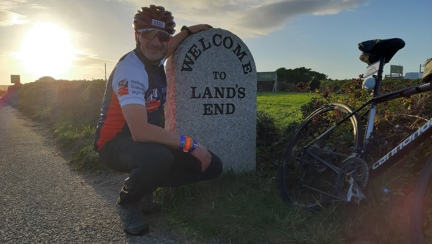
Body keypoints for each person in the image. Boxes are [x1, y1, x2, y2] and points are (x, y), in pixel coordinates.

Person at [93, 5, 223, 236]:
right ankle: (128, 201)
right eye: (147, 34)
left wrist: (189, 31)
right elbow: (140, 132)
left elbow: (172, 43)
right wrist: (192, 145)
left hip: (145, 142)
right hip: (114, 143)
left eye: (162, 36)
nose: (155, 42)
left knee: (212, 165)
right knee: (159, 158)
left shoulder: (157, 54)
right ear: (136, 36)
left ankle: (143, 186)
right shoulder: (130, 70)